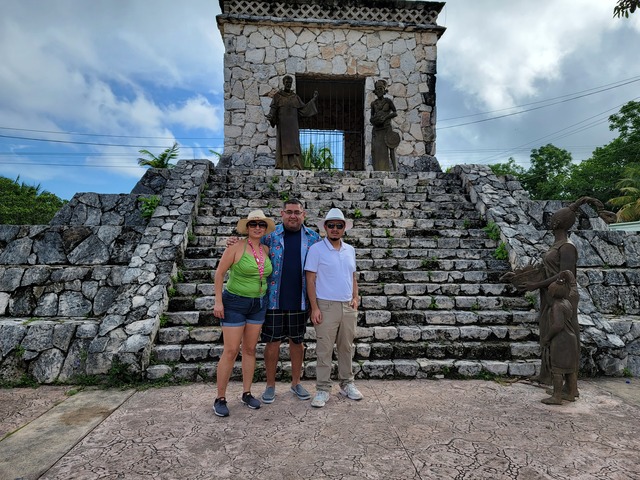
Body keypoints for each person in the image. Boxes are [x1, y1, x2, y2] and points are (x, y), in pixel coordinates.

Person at [227, 199, 321, 404]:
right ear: (282, 213)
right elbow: (251, 246)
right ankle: (270, 385)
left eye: (297, 212)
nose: (293, 216)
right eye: (289, 212)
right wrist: (233, 242)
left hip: (300, 299)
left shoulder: (313, 237)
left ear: (303, 214)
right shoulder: (270, 236)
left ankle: (296, 382)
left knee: (298, 342)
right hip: (273, 299)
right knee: (272, 342)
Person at [212, 210, 275, 417]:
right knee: (230, 351)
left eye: (261, 225)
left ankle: (247, 392)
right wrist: (218, 302)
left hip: (258, 303)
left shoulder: (266, 249)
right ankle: (220, 397)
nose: (257, 227)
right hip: (235, 303)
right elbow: (220, 273)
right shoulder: (236, 247)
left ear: (265, 228)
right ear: (247, 228)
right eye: (253, 224)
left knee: (249, 349)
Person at [305, 208, 361, 408]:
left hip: (347, 306)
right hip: (325, 305)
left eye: (339, 225)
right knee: (324, 349)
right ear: (325, 228)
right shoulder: (316, 249)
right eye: (331, 225)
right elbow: (310, 280)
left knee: (346, 347)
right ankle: (322, 388)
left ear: (344, 228)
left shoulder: (350, 250)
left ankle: (347, 384)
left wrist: (356, 297)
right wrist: (315, 308)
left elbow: (352, 275)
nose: (335, 229)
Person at [540, 270, 579, 405]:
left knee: (557, 369)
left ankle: (557, 396)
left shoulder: (557, 306)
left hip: (561, 340)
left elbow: (558, 325)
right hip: (571, 338)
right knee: (570, 369)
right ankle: (571, 392)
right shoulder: (567, 303)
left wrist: (547, 337)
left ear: (553, 293)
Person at [267, 75, 319, 170]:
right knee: (283, 144)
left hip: (293, 125)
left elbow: (303, 109)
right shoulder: (278, 97)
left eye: (290, 83)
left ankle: (295, 165)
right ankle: (283, 164)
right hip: (283, 125)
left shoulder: (295, 97)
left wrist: (313, 100)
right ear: (283, 83)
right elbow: (273, 110)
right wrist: (271, 117)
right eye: (287, 82)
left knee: (294, 145)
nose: (288, 84)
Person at [370, 79, 399, 171]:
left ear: (384, 90)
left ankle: (395, 170)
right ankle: (378, 169)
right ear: (375, 91)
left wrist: (386, 118)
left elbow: (395, 113)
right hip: (377, 130)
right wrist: (375, 120)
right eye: (378, 89)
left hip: (386, 128)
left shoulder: (388, 101)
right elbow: (371, 117)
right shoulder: (373, 104)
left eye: (381, 89)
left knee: (391, 148)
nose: (379, 91)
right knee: (376, 150)